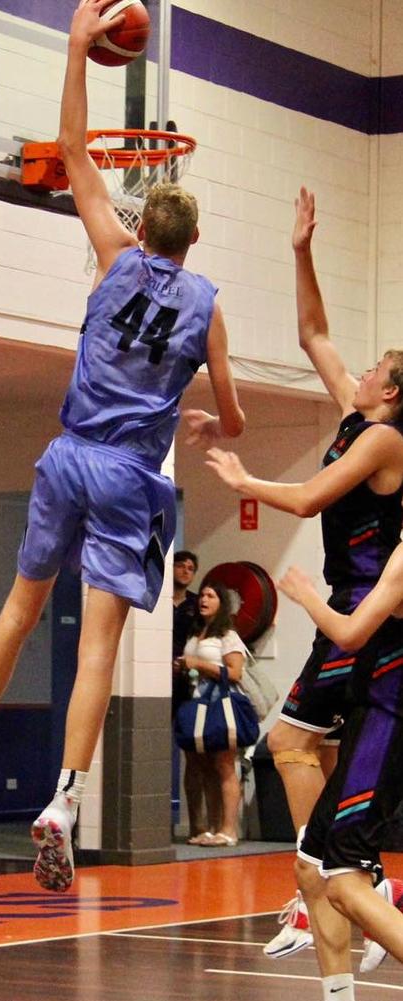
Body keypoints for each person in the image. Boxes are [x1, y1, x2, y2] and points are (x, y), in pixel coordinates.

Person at [0, 0, 245, 894]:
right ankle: (65, 798)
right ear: (193, 245)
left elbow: (72, 152)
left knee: (19, 607)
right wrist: (207, 420)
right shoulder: (208, 304)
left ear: (143, 227)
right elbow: (231, 412)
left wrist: (75, 47)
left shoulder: (111, 254)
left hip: (67, 454)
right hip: (129, 476)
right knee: (99, 643)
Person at [205, 186, 403, 955]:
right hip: (350, 618)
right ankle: (320, 883)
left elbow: (313, 496)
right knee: (291, 744)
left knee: (290, 741)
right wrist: (299, 249)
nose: (358, 370)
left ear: (390, 390)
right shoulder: (362, 417)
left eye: (375, 368)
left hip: (365, 613)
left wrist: (246, 482)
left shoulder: (386, 443)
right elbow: (313, 330)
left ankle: (343, 876)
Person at [277, 553, 403, 1000]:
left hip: (387, 722)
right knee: (314, 867)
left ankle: (381, 889)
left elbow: (350, 634)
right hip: (369, 717)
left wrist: (308, 595)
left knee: (347, 886)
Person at [174, 581, 253, 847]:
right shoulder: (196, 633)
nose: (204, 600)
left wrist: (200, 664)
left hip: (220, 702)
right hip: (196, 701)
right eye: (203, 595)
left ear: (222, 603)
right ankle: (207, 827)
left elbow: (234, 673)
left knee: (224, 765)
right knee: (201, 765)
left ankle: (229, 829)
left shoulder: (228, 635)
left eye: (211, 596)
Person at [172, 550, 208, 840]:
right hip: (153, 684)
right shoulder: (154, 601)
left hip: (188, 686)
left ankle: (198, 825)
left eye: (191, 568)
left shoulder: (198, 606)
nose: (185, 571)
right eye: (181, 565)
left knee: (194, 757)